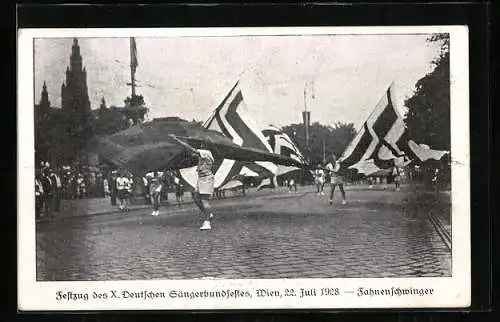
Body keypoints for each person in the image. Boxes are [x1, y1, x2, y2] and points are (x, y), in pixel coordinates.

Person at [170, 135, 215, 230]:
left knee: (204, 200)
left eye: (202, 143)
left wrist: (178, 140)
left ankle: (207, 222)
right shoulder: (205, 154)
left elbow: (192, 150)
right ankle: (208, 213)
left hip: (206, 178)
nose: (201, 144)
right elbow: (192, 153)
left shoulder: (206, 152)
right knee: (196, 198)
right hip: (202, 178)